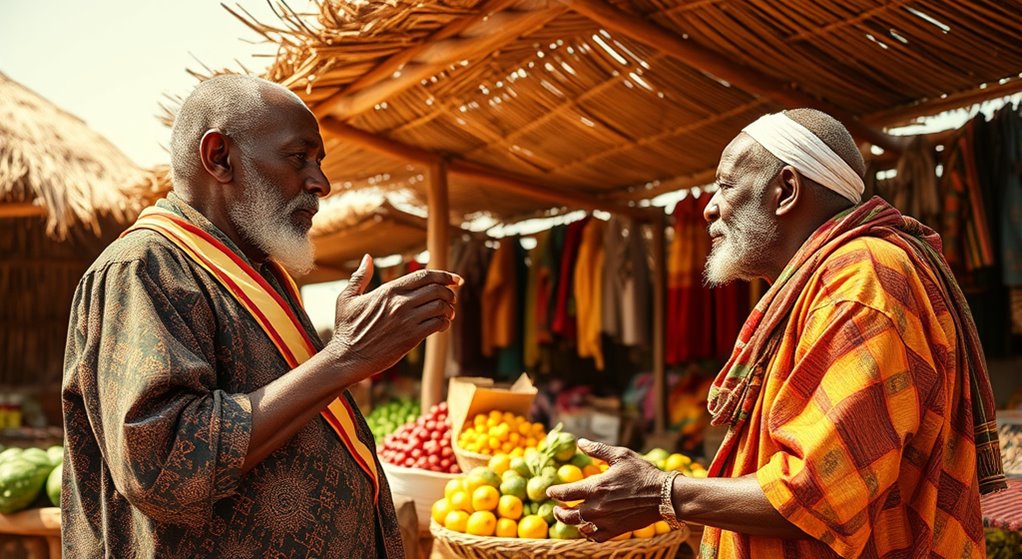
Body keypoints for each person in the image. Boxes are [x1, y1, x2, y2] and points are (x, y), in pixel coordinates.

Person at [548, 109, 1006, 558]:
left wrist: (661, 493)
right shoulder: (827, 279)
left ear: (785, 190)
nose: (709, 207)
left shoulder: (862, 280)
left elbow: (816, 491)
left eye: (726, 185)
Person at [61, 75, 461, 558]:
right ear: (220, 158)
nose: (321, 183)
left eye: (319, 162)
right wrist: (344, 357)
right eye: (299, 157)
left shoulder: (261, 273)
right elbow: (163, 465)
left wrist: (344, 356)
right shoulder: (144, 268)